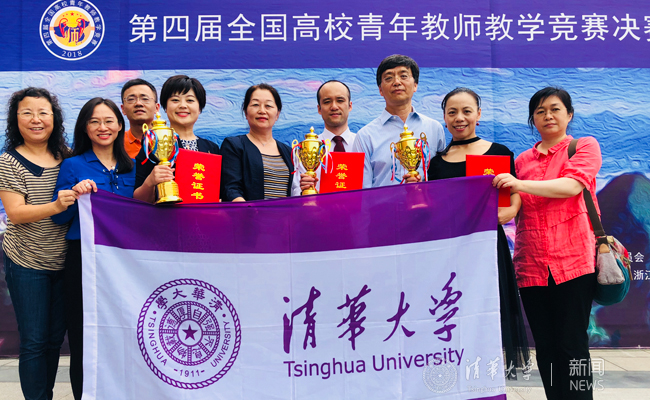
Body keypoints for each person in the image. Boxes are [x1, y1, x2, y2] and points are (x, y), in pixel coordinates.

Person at [493, 87, 601, 399]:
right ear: (532, 119)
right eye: (540, 111)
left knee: (573, 344)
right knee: (546, 346)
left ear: (569, 114)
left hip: (574, 263)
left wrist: (519, 184)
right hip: (532, 266)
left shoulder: (584, 146)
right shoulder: (522, 161)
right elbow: (511, 207)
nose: (548, 116)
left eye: (555, 109)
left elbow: (571, 186)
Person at [422, 87, 529, 378]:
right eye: (452, 112)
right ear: (444, 118)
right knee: (456, 307)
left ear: (478, 115)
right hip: (452, 249)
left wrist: (509, 211)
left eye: (466, 111)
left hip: (488, 245)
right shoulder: (437, 162)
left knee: (491, 305)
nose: (459, 118)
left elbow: (515, 193)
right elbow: (434, 206)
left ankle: (488, 370)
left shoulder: (498, 153)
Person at [52, 98, 136, 400]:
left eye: (109, 120)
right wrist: (72, 195)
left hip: (125, 262)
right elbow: (59, 218)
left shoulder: (133, 167)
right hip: (84, 259)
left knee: (125, 330)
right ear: (85, 128)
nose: (103, 127)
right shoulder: (72, 165)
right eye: (94, 121)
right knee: (83, 332)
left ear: (120, 125)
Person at [0, 87, 76, 400]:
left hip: (64, 260)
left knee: (55, 340)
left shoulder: (67, 157)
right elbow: (16, 213)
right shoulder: (8, 161)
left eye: (43, 112)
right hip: (26, 262)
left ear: (54, 118)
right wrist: (56, 206)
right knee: (33, 341)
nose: (36, 120)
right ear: (15, 119)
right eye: (27, 113)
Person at [351, 54, 445, 188]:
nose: (397, 82)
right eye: (389, 78)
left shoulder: (434, 128)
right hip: (383, 202)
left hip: (426, 202)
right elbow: (363, 189)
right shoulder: (365, 136)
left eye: (404, 76)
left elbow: (441, 180)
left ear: (415, 85)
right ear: (380, 90)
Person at [133, 75, 219, 203]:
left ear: (200, 108)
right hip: (166, 215)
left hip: (202, 215)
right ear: (165, 107)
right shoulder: (153, 144)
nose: (183, 105)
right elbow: (137, 199)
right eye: (175, 100)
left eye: (190, 100)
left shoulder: (211, 148)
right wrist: (150, 181)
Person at [221, 83, 293, 201]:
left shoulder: (289, 152)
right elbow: (231, 188)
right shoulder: (234, 146)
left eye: (268, 106)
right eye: (255, 105)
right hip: (246, 212)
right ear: (245, 112)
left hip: (284, 213)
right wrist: (248, 210)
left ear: (277, 114)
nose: (262, 111)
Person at [292, 80, 357, 195]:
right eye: (327, 102)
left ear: (350, 106)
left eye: (340, 100)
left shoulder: (362, 143)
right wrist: (303, 190)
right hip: (316, 207)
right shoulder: (306, 148)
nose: (334, 107)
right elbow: (294, 190)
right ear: (319, 109)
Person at [120, 78, 160, 158]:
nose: (138, 103)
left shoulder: (168, 139)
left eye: (145, 99)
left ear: (156, 108)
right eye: (131, 99)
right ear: (123, 109)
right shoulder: (117, 142)